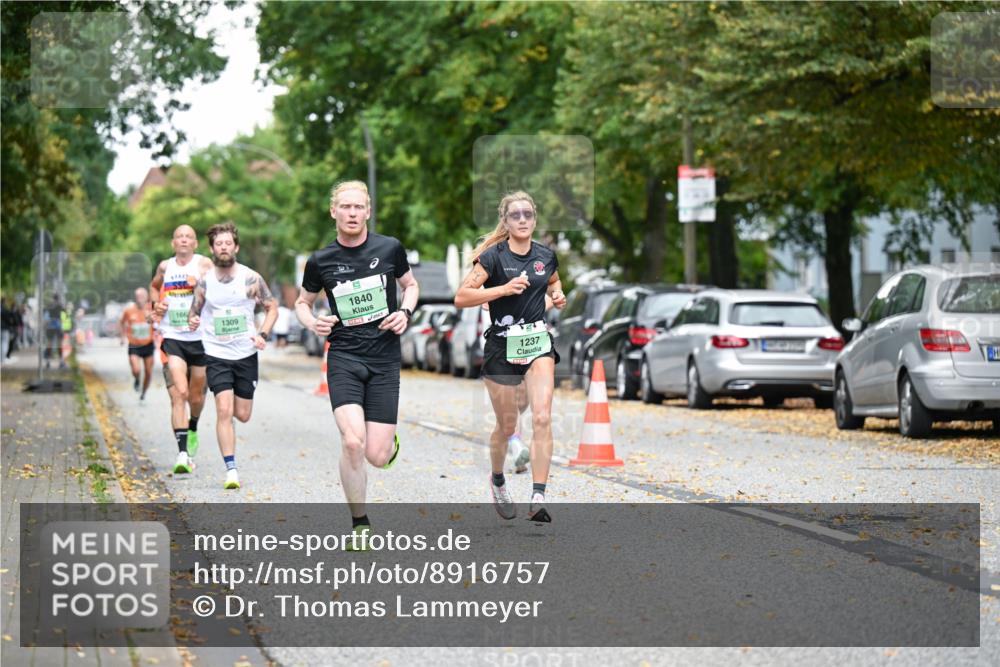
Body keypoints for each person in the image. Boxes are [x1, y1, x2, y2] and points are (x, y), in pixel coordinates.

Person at [295, 180, 419, 544]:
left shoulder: (390, 248)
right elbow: (302, 303)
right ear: (333, 211)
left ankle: (388, 446)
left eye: (358, 207)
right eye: (345, 207)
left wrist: (406, 312)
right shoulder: (320, 261)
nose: (352, 213)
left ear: (367, 211)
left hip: (384, 359)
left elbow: (410, 285)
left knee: (376, 456)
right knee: (352, 442)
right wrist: (313, 321)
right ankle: (360, 524)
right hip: (345, 356)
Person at [454, 191, 566, 522]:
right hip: (501, 347)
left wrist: (557, 297)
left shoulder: (546, 256)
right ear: (505, 220)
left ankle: (538, 495)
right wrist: (503, 289)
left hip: (536, 343)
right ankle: (498, 479)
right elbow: (461, 297)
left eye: (527, 214)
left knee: (543, 416)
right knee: (507, 424)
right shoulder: (491, 258)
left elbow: (555, 285)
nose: (522, 220)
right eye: (515, 215)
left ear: (534, 218)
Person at [189, 222, 278, 490]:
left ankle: (230, 430)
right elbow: (194, 311)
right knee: (223, 410)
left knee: (243, 413)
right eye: (219, 244)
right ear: (212, 249)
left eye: (228, 243)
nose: (224, 247)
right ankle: (231, 469)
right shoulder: (205, 282)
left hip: (246, 353)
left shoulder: (251, 278)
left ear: (236, 247)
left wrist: (262, 334)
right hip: (216, 353)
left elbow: (272, 308)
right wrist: (193, 320)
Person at [150, 225, 213, 474]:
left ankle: (194, 425)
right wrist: (157, 304)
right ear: (173, 243)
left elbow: (218, 289)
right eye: (179, 237)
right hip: (173, 335)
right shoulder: (165, 267)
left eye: (188, 237)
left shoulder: (204, 264)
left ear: (195, 243)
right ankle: (183, 454)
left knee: (196, 397)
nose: (183, 240)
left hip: (201, 339)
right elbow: (154, 287)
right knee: (179, 394)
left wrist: (200, 285)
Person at [119, 288, 155, 400]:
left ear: (147, 297)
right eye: (138, 296)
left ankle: (144, 392)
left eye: (142, 296)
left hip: (148, 344)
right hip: (134, 344)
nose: (140, 299)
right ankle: (137, 378)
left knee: (148, 372)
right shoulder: (129, 310)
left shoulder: (151, 309)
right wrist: (122, 337)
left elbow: (158, 322)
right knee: (136, 369)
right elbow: (121, 323)